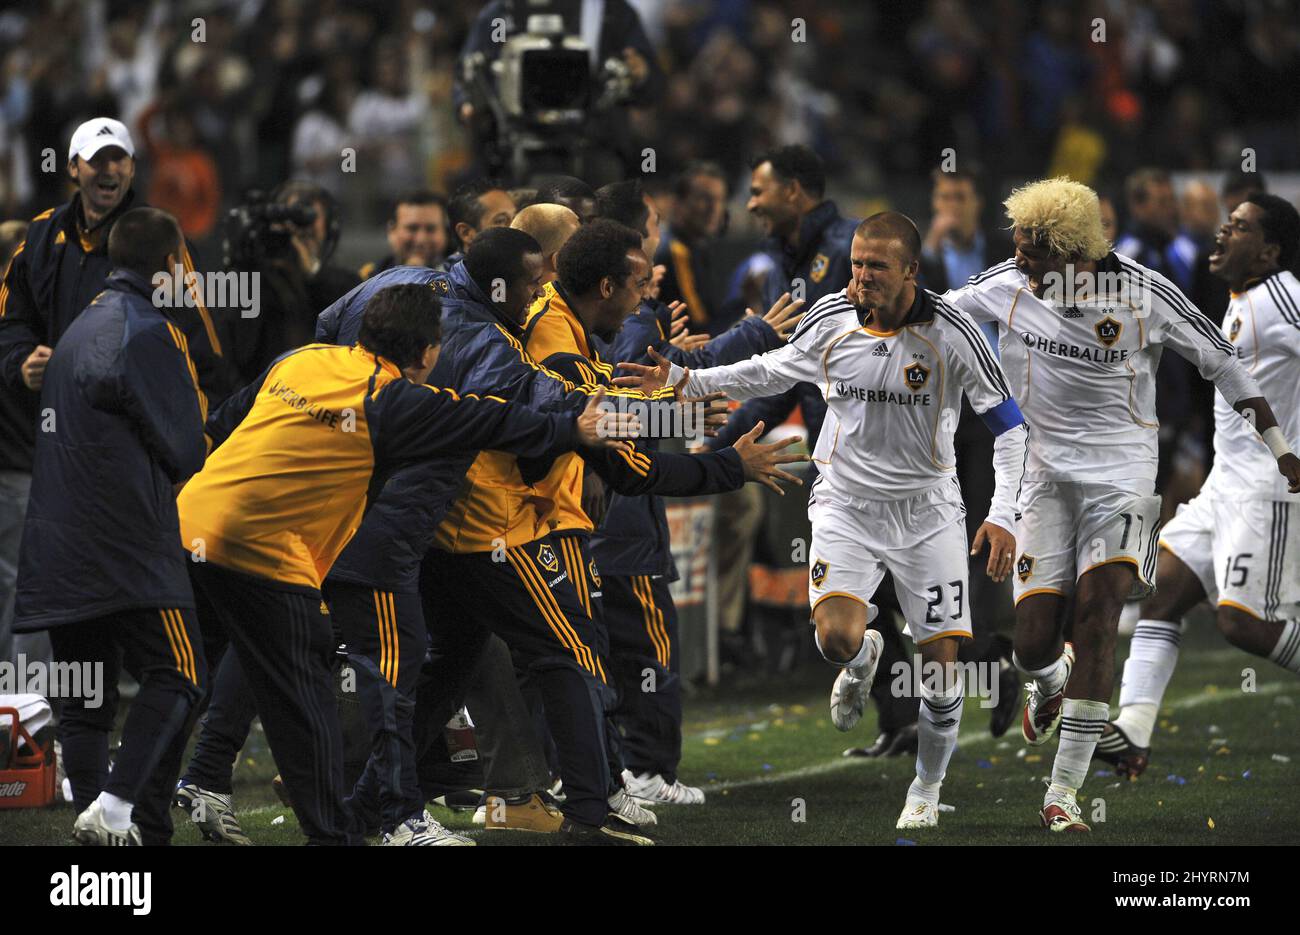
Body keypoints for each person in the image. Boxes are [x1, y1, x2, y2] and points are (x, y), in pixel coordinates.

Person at [176, 283, 632, 845]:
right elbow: (491, 420)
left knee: (181, 678)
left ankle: (147, 793)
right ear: (426, 352)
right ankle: (388, 817)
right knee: (344, 691)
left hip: (192, 529)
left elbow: (220, 422)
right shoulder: (397, 400)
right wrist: (574, 429)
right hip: (285, 555)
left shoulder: (301, 360)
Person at [618, 212, 1028, 829]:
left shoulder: (955, 333)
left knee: (942, 668)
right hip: (845, 504)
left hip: (928, 513)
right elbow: (773, 371)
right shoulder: (831, 315)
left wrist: (1003, 515)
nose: (860, 278)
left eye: (877, 267)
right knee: (835, 638)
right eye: (857, 263)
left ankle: (926, 788)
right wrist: (687, 381)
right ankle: (863, 657)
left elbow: (1011, 429)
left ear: (911, 272)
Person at [943, 177, 1300, 832]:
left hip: (1122, 479)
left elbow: (1224, 364)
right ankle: (1047, 680)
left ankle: (1063, 793)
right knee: (1031, 643)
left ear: (1076, 252)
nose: (1020, 261)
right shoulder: (1005, 284)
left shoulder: (1145, 292)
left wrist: (1280, 446)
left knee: (1101, 613)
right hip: (1044, 478)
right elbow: (937, 317)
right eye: (1017, 248)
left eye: (1034, 252)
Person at [592, 181, 800, 804]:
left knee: (591, 658)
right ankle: (648, 772)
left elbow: (622, 399)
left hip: (592, 528)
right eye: (653, 227)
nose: (656, 262)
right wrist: (741, 345)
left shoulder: (590, 324)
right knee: (650, 651)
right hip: (620, 532)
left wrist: (684, 363)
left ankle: (598, 774)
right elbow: (618, 412)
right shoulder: (626, 323)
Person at [0, 117, 227, 684]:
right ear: (73, 169)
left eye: (119, 159)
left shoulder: (156, 239)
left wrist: (194, 439)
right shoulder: (38, 238)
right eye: (97, 160)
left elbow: (203, 345)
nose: (110, 170)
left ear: (132, 166)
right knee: (50, 589)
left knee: (134, 587)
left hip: (132, 452)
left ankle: (117, 697)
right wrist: (19, 361)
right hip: (49, 449)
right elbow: (9, 321)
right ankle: (44, 711)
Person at [12, 207, 208, 846]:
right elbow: (183, 449)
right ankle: (119, 809)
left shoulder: (76, 329)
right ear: (173, 262)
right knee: (180, 673)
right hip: (127, 540)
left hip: (60, 539)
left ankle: (100, 826)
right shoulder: (149, 329)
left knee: (86, 699)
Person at [1098, 193, 1300, 777]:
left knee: (1243, 624)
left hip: (1267, 492)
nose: (1221, 233)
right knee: (1161, 594)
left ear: (1269, 251)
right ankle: (1132, 733)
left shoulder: (1283, 296)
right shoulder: (1242, 299)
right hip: (1223, 488)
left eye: (1238, 228)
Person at [655, 161, 730, 334]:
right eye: (705, 198)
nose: (714, 208)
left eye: (720, 199)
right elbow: (700, 327)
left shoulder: (698, 246)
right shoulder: (675, 252)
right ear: (678, 203)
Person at [360, 190, 450, 279]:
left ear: (445, 232)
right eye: (412, 228)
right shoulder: (367, 280)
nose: (421, 239)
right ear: (391, 231)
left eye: (430, 229)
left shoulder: (461, 281)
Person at [446, 178, 517, 262]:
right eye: (501, 221)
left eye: (515, 216)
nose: (515, 226)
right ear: (466, 233)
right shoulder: (449, 274)